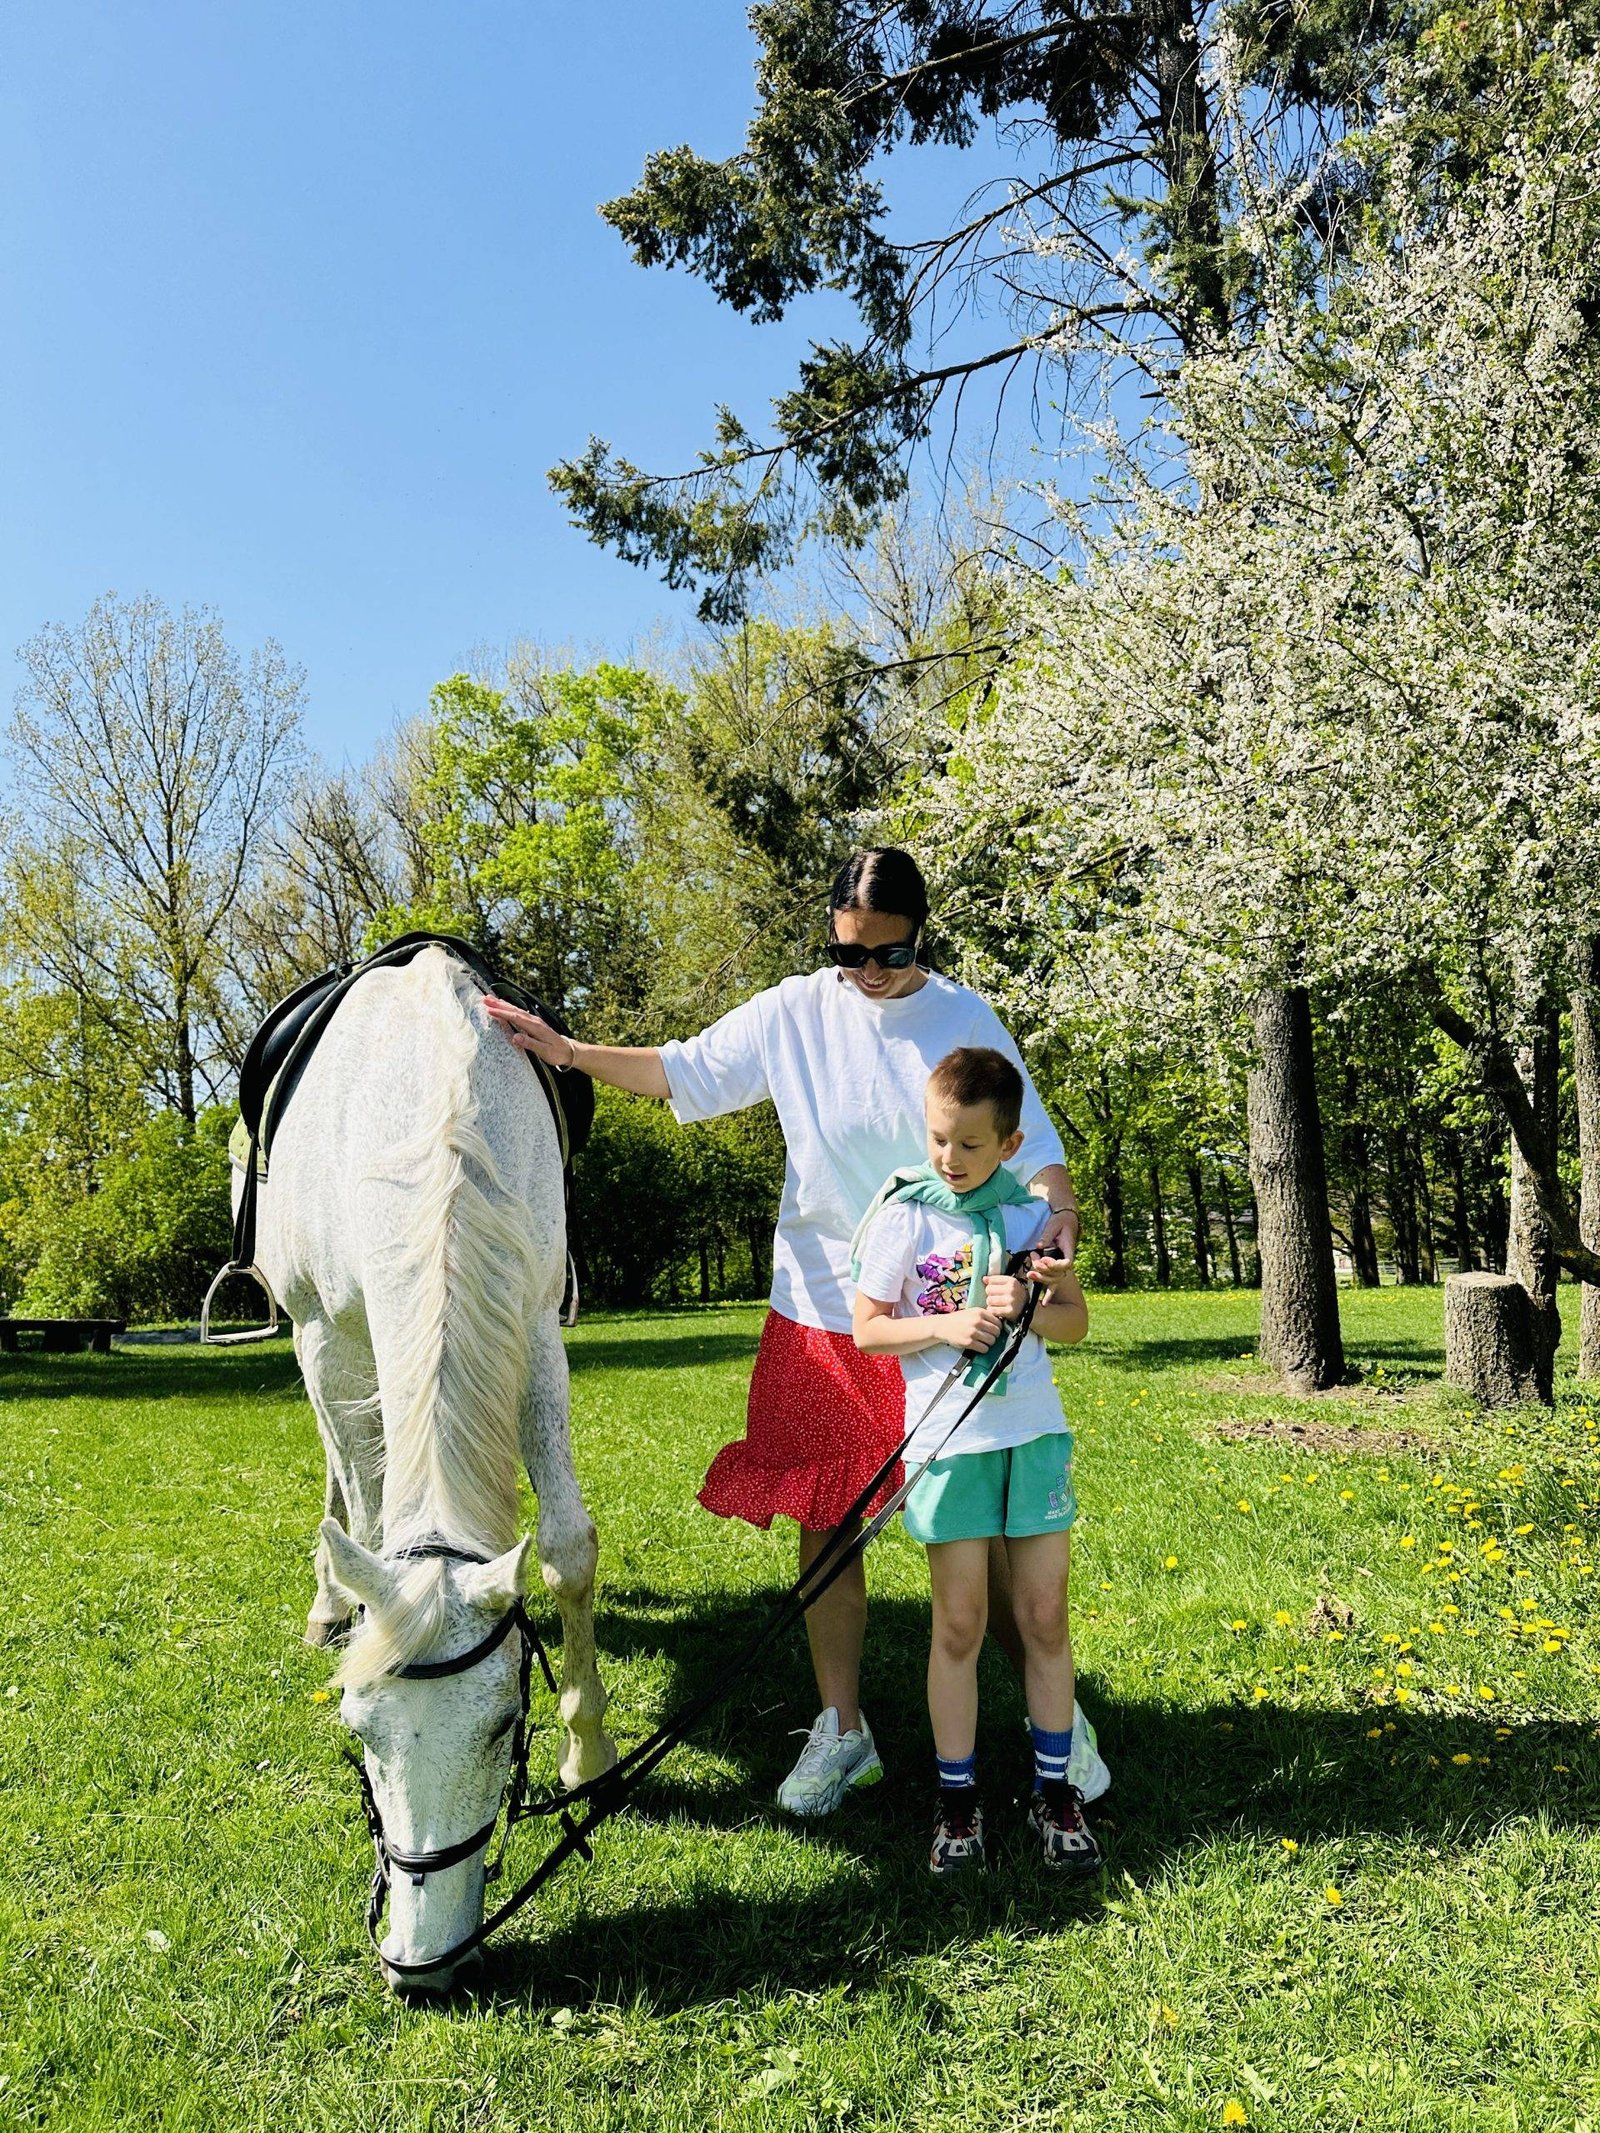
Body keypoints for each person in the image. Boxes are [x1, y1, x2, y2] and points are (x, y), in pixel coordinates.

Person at [482, 847, 1100, 1815]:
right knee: (827, 1528)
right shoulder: (795, 1011)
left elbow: (1042, 1149)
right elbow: (680, 1070)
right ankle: (842, 1729)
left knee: (988, 1531)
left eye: (888, 956)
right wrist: (565, 1054)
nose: (866, 975)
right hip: (825, 1306)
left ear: (920, 937)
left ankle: (1052, 1719)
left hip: (948, 1314)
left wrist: (1056, 1221)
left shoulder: (962, 1018)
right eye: (848, 953)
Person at [851, 1045, 1098, 1874]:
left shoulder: (1032, 1222)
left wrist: (1033, 1299)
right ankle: (957, 1805)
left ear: (1010, 1142)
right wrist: (945, 1326)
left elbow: (1075, 1325)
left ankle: (1054, 1792)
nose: (949, 1160)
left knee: (1043, 1617)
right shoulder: (903, 1215)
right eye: (938, 1139)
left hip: (1030, 1435)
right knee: (959, 1624)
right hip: (948, 1443)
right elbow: (867, 1327)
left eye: (969, 1145)